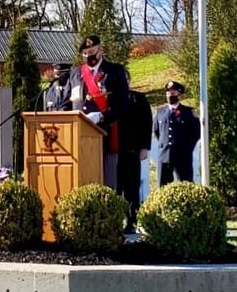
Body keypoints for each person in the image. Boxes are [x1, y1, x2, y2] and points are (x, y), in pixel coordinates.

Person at [68, 34, 130, 190]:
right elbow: (69, 103)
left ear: (100, 50)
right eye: (85, 53)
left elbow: (122, 105)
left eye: (92, 51)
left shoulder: (115, 71)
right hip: (80, 136)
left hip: (105, 134)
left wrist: (101, 115)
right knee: (81, 183)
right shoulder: (75, 73)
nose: (89, 55)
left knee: (107, 185)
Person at [118, 81, 152, 233]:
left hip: (132, 150)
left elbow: (147, 122)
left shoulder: (138, 98)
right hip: (112, 152)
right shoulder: (109, 98)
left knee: (131, 189)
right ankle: (114, 220)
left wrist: (145, 146)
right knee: (114, 188)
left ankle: (131, 222)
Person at [153, 80, 200, 187]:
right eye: (168, 93)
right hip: (164, 156)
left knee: (186, 186)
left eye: (173, 93)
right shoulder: (160, 112)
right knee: (162, 187)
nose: (170, 95)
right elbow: (157, 131)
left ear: (180, 95)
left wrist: (187, 149)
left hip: (182, 156)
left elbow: (196, 133)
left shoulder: (188, 112)